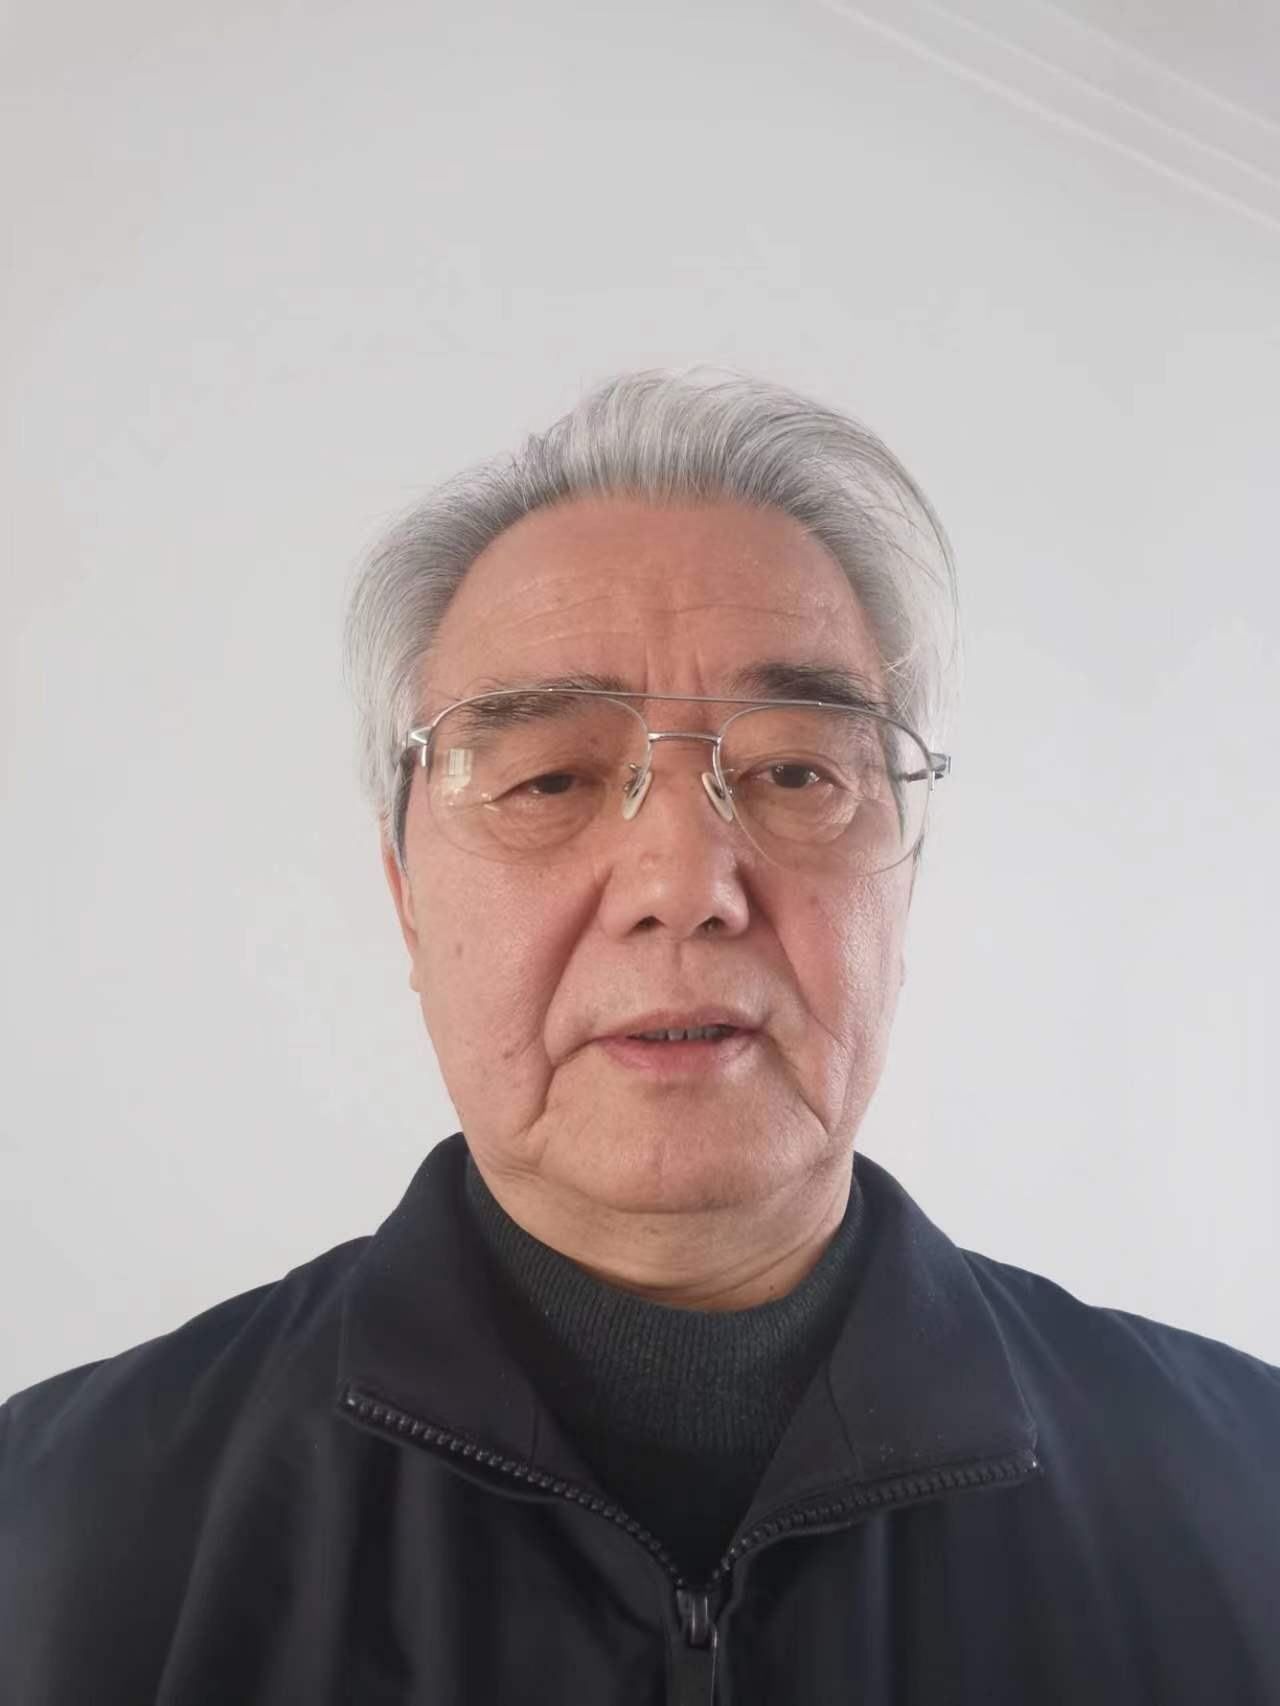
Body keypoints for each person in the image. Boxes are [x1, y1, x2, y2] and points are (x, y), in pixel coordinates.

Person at [2, 369, 1277, 1705]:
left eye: (795, 770)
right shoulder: (60, 1537)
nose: (684, 881)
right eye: (550, 776)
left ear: (907, 880)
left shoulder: (1244, 1498)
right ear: (406, 897)